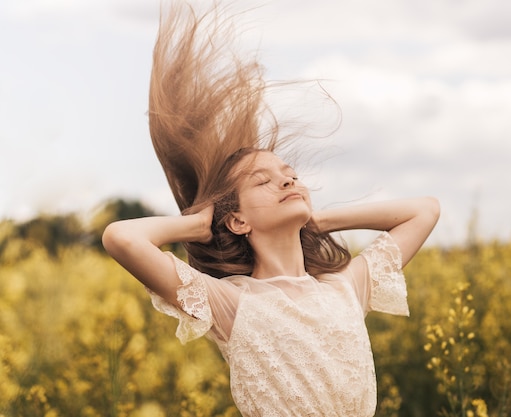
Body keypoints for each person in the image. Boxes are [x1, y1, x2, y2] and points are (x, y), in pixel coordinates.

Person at [102, 2, 440, 416]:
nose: (286, 180)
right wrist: (199, 224)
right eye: (262, 181)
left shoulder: (345, 288)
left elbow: (425, 210)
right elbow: (121, 237)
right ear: (238, 220)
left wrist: (320, 221)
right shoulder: (230, 303)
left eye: (290, 174)